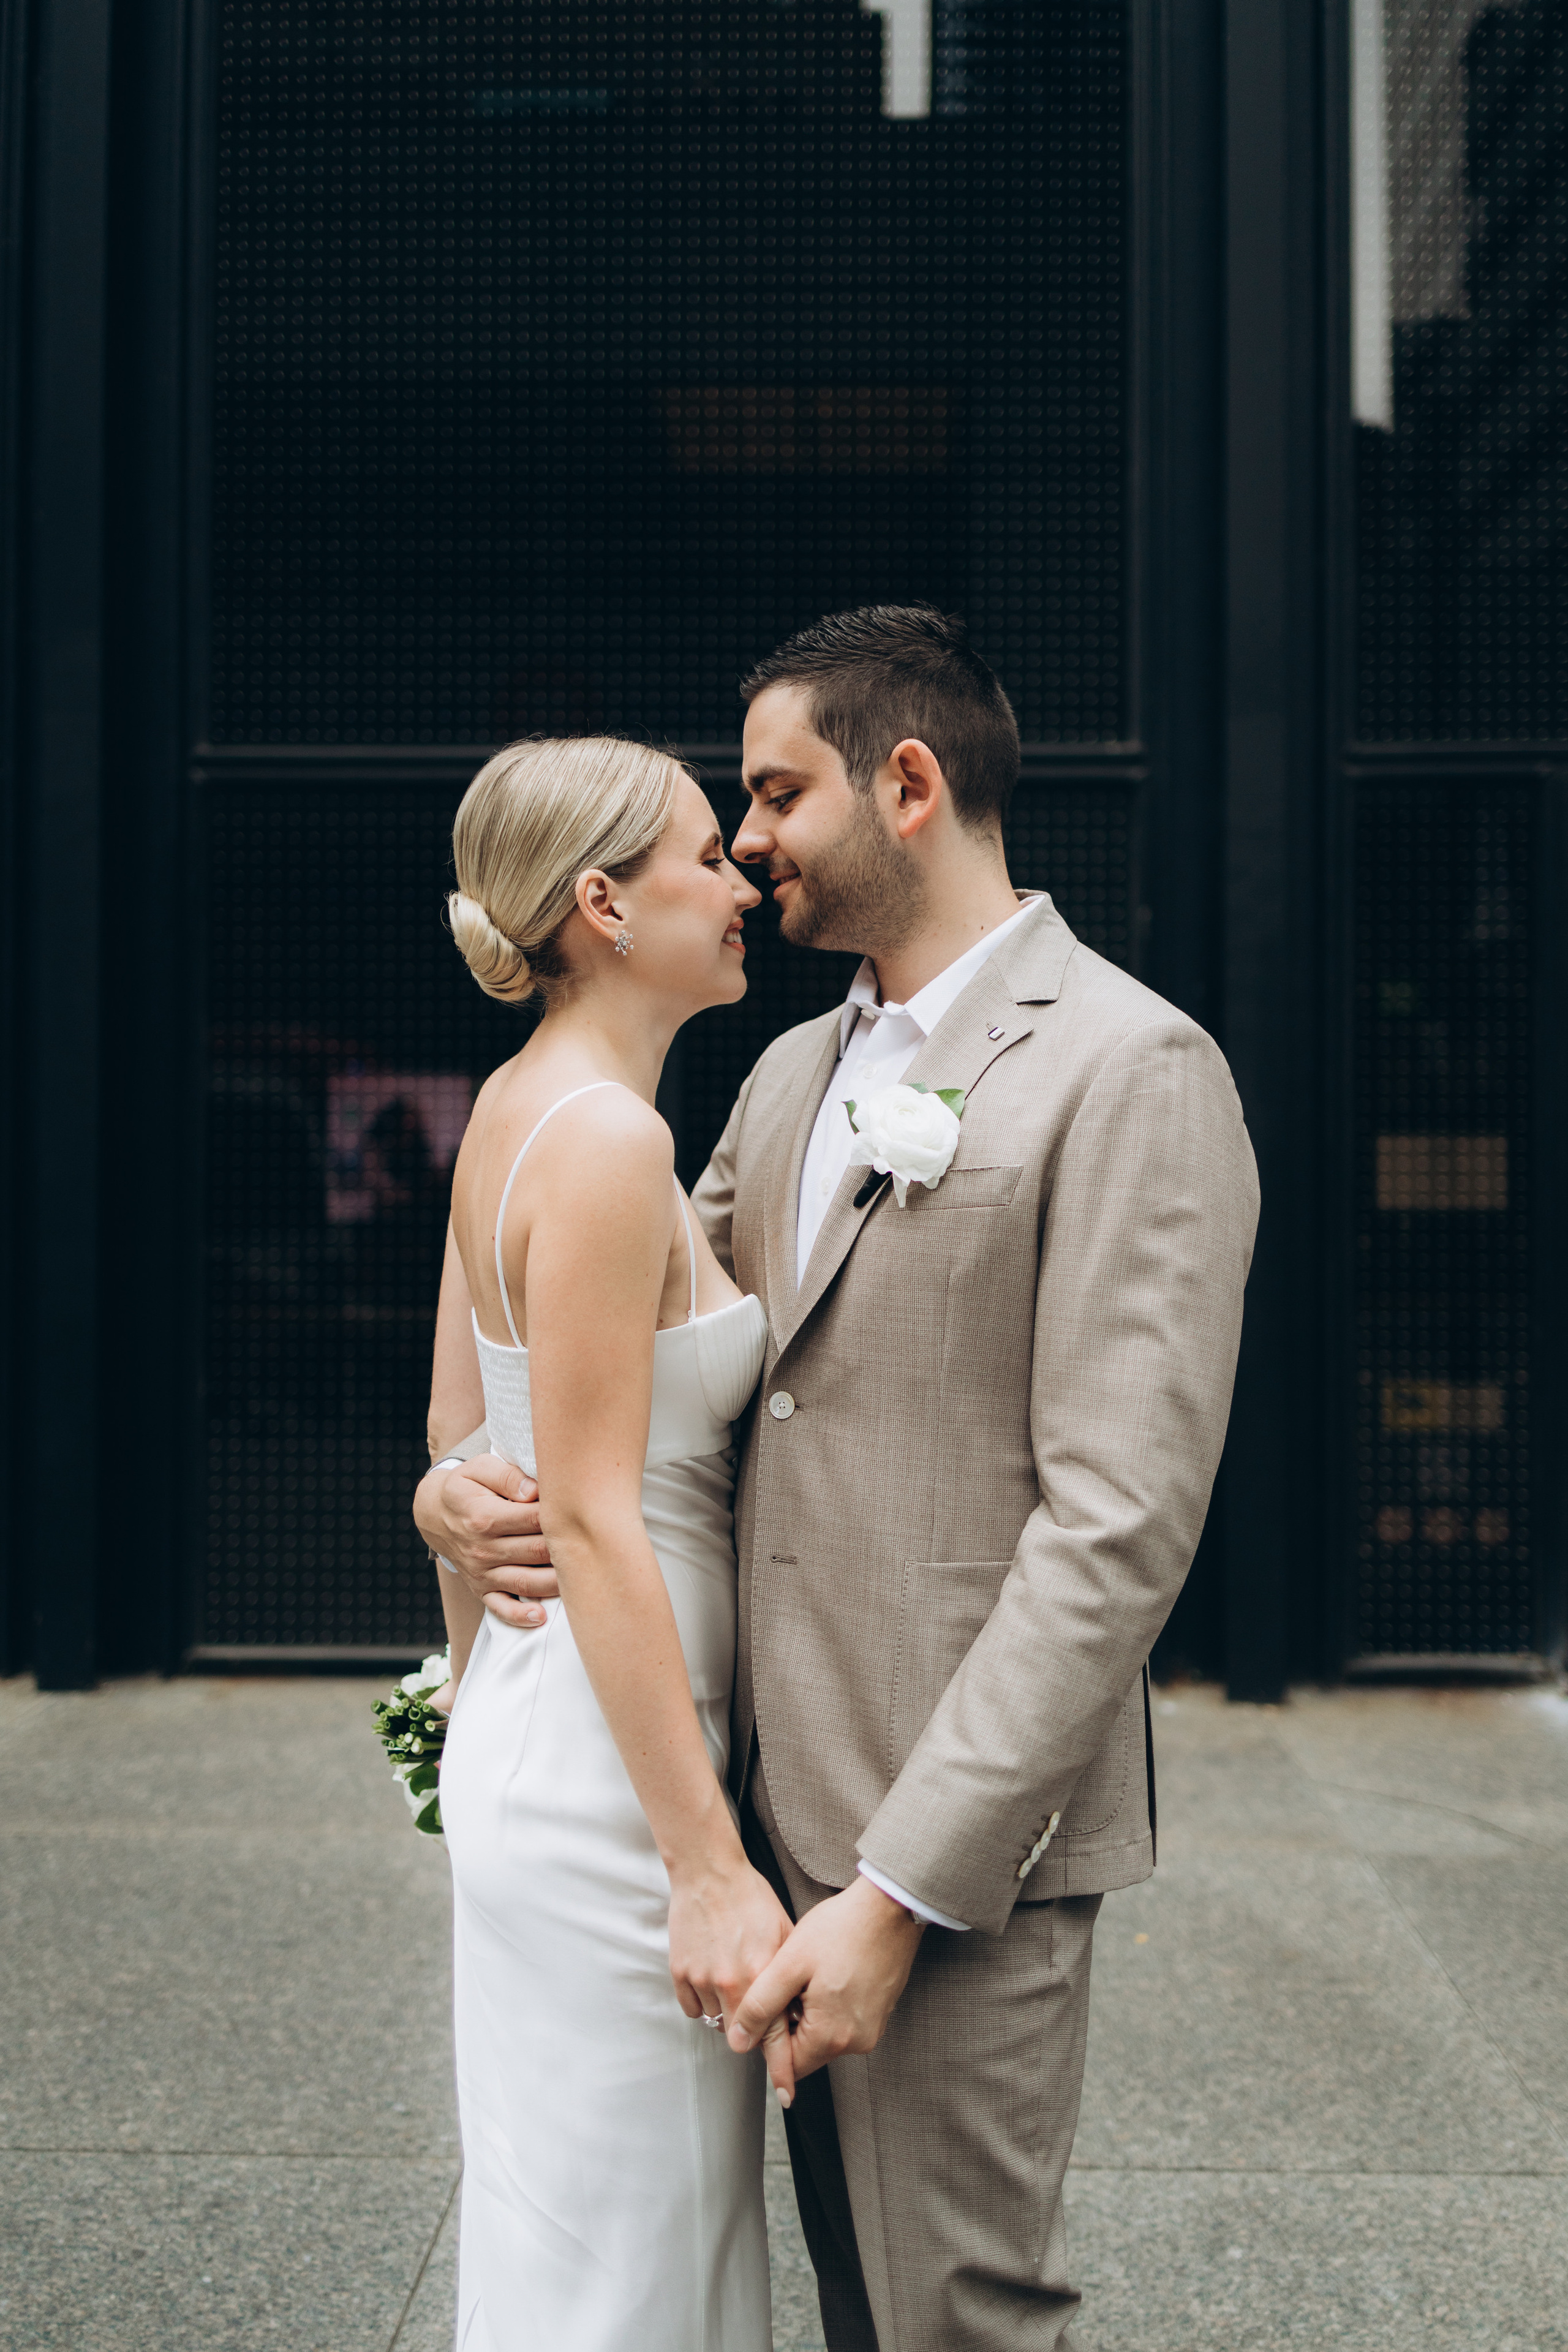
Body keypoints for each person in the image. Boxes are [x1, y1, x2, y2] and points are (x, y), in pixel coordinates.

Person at [418, 606, 1261, 2351]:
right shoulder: (791, 1070)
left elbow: (1116, 1534)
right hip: (726, 1811)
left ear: (910, 784)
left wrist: (900, 1889)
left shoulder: (1133, 1068)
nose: (748, 846)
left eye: (775, 795)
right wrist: (457, 1481)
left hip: (945, 1858)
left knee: (949, 2318)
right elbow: (632, 1366)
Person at [424, 734, 792, 2352]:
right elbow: (581, 1509)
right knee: (624, 2279)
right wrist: (709, 1870)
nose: (742, 884)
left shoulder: (520, 1108)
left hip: (556, 1734)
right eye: (706, 855)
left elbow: (461, 1443)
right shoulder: (607, 1142)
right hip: (608, 1791)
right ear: (600, 903)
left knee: (611, 2253)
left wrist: (445, 1512)